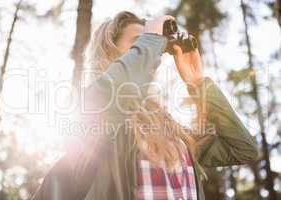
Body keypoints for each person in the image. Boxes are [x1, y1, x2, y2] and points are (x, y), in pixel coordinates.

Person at [32, 11, 258, 200]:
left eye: (151, 43)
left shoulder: (175, 136)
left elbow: (242, 148)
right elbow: (113, 97)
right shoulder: (93, 116)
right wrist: (151, 37)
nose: (153, 50)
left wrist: (197, 83)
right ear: (110, 53)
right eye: (139, 44)